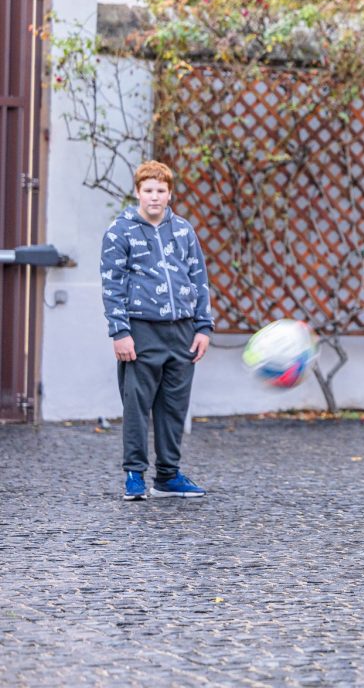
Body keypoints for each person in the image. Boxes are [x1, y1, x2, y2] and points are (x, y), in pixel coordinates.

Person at [101, 160, 214, 501]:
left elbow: (199, 278)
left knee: (174, 406)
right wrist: (120, 332)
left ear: (169, 194)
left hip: (182, 332)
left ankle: (167, 476)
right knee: (137, 405)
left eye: (160, 190)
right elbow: (112, 285)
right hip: (141, 331)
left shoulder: (183, 230)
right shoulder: (119, 232)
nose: (154, 196)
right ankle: (134, 474)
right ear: (137, 192)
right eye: (148, 190)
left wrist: (203, 327)